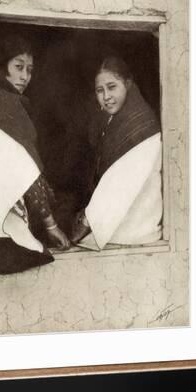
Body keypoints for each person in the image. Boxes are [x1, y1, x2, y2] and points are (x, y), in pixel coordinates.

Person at [0, 33, 70, 274]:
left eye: (30, 70)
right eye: (19, 67)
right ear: (2, 67)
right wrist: (51, 225)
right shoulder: (5, 105)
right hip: (2, 219)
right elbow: (26, 169)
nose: (25, 76)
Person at [71, 55, 163, 248]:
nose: (106, 97)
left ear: (128, 85)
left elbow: (119, 183)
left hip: (135, 229)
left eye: (112, 87)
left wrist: (86, 222)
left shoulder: (141, 125)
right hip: (118, 220)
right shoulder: (111, 121)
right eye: (99, 90)